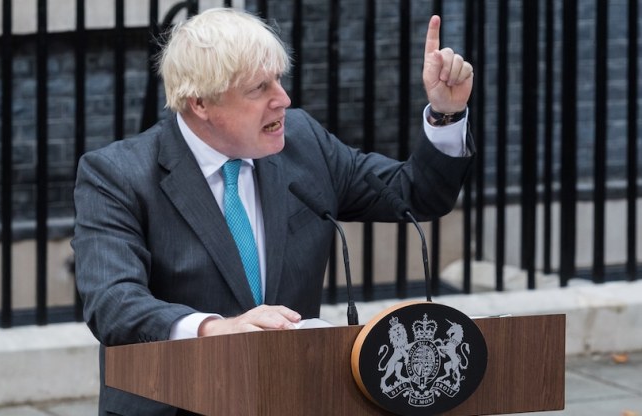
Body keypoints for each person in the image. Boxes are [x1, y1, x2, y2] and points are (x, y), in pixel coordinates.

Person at [72, 7, 475, 415]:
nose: (282, 99)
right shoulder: (117, 174)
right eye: (259, 88)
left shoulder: (304, 142)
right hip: (174, 402)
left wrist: (447, 114)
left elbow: (415, 195)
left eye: (278, 80)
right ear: (200, 103)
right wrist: (215, 328)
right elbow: (112, 302)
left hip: (290, 397)